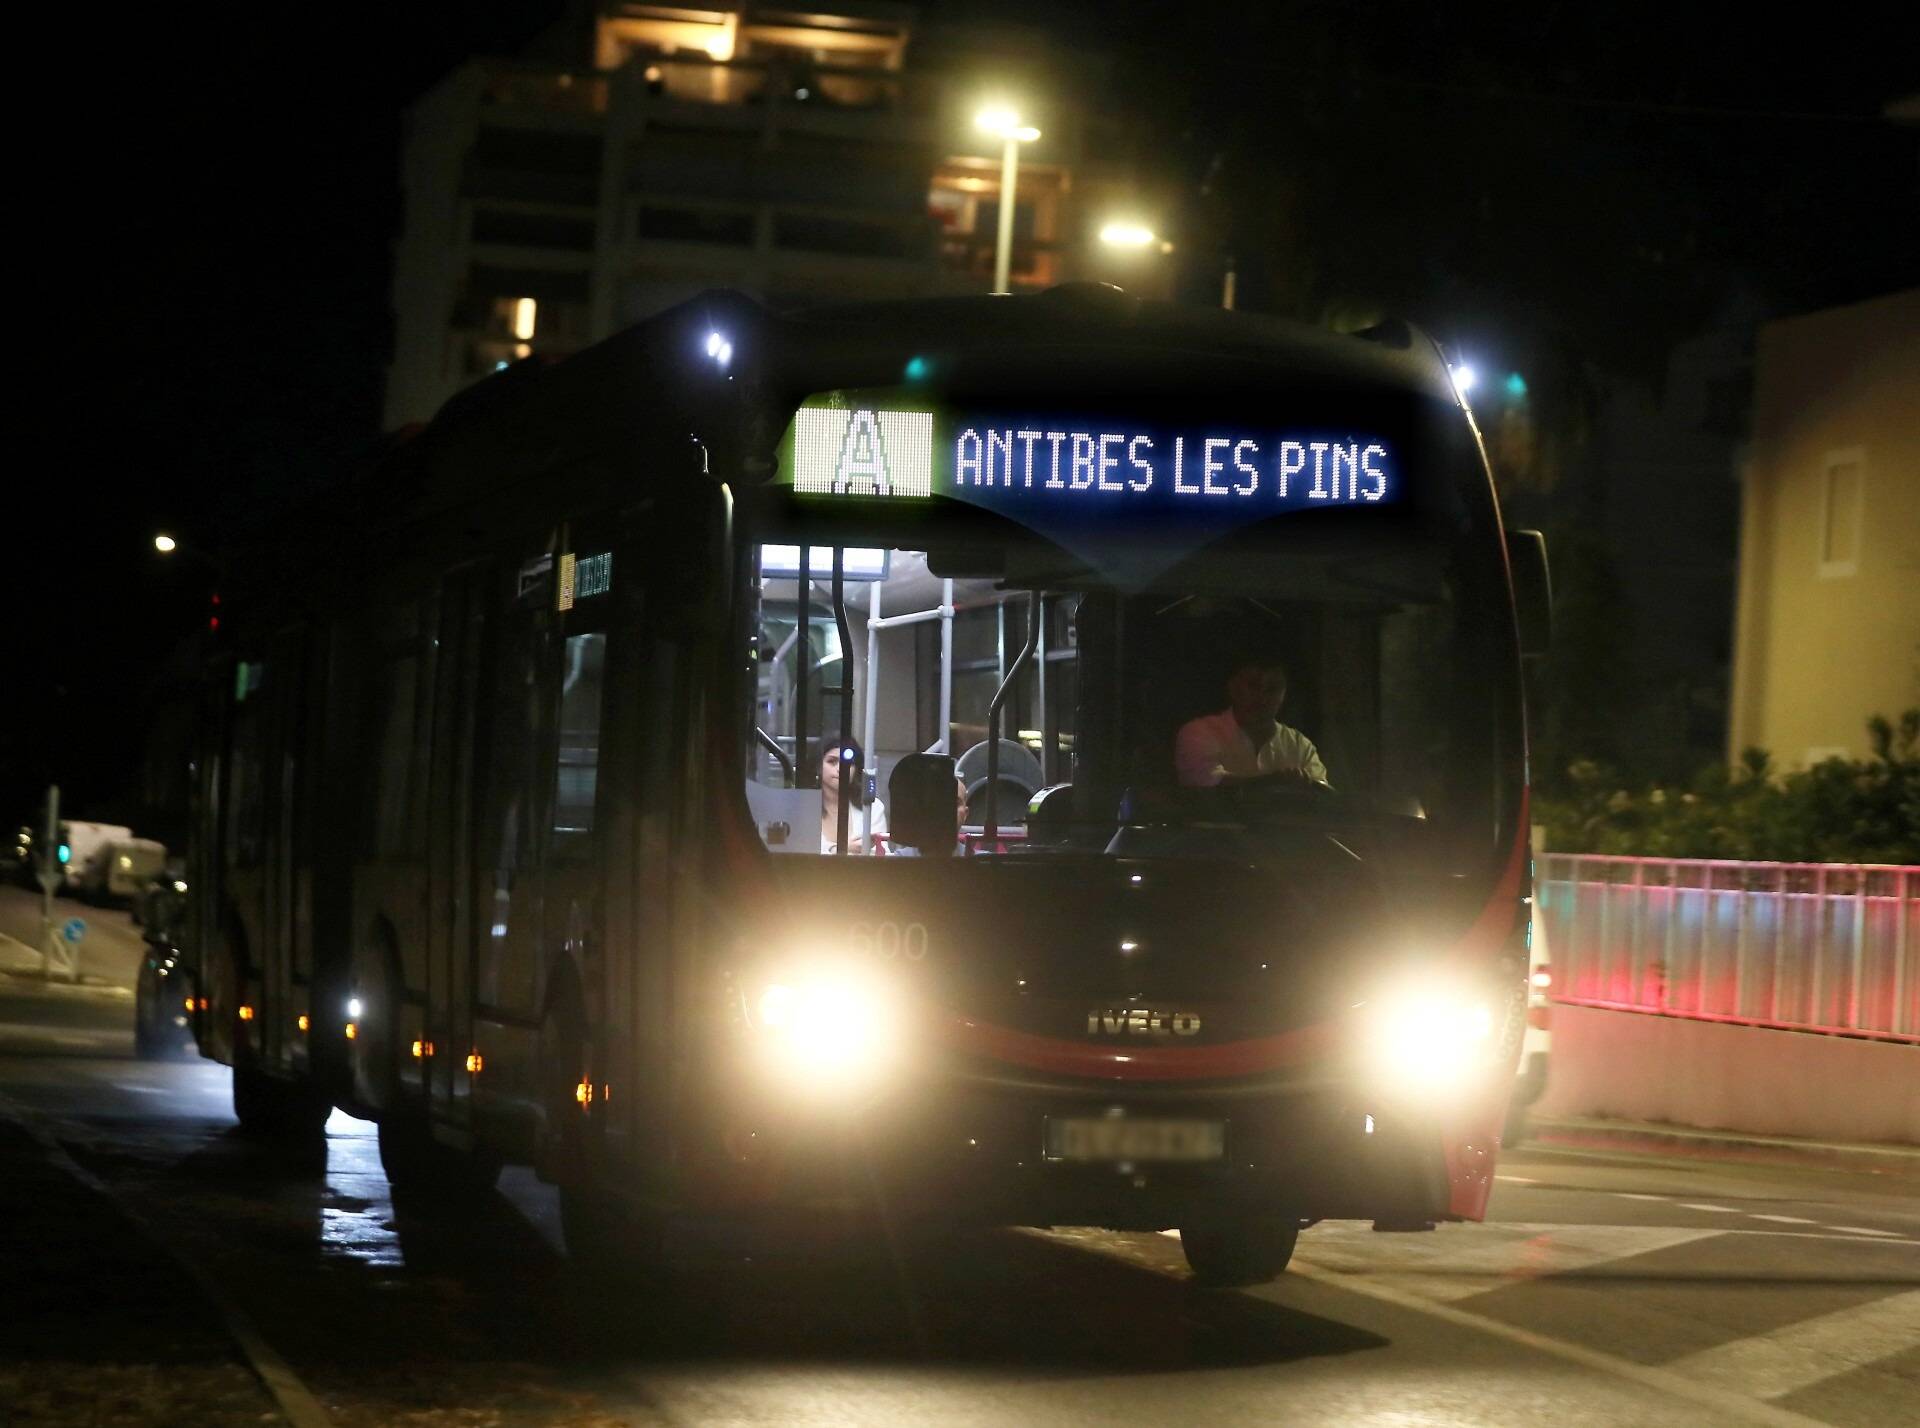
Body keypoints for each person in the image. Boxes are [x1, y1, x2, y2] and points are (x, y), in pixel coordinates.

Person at [1174, 654, 1329, 788]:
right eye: (1253, 686)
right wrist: (1276, 782)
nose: (1262, 698)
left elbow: (1323, 793)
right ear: (1233, 687)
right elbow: (1207, 783)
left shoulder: (1299, 745)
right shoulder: (1198, 732)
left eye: (1273, 688)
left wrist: (1308, 786)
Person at [887, 753, 963, 857]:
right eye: (937, 803)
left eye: (955, 803)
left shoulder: (980, 863)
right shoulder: (900, 862)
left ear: (966, 813)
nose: (945, 810)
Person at [820, 738, 886, 853]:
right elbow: (799, 849)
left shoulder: (873, 807)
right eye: (832, 761)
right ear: (818, 765)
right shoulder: (803, 807)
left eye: (848, 764)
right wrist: (839, 849)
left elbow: (880, 854)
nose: (840, 769)